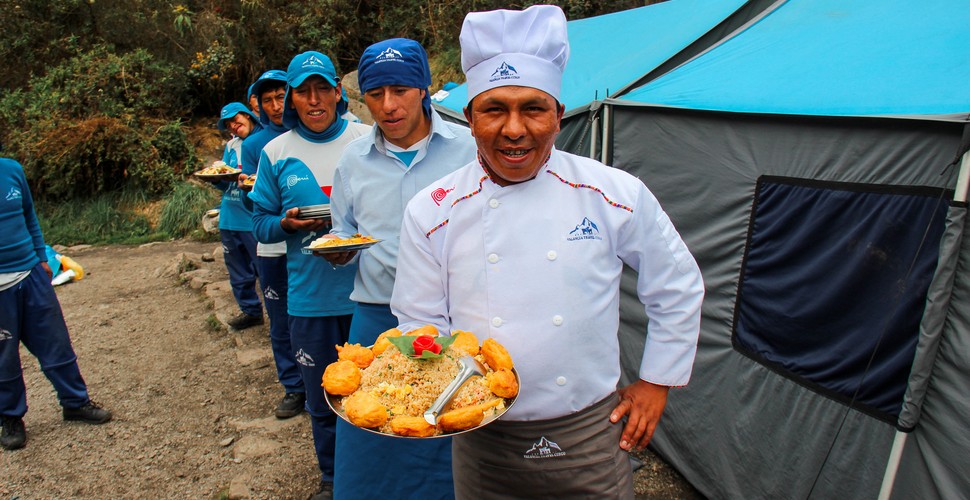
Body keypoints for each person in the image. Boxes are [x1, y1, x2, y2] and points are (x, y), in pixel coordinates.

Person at [389, 5, 705, 498]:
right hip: (479, 429)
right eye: (494, 109)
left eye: (533, 108)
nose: (514, 129)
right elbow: (420, 320)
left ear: (559, 116)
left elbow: (677, 285)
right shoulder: (431, 211)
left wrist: (656, 382)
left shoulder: (612, 193)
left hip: (590, 433)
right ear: (469, 118)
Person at [322, 38, 477, 499]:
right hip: (375, 316)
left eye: (400, 90)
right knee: (373, 428)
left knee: (448, 420)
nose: (388, 106)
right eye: (374, 94)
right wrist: (338, 250)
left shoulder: (469, 150)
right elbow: (344, 231)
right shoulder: (353, 161)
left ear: (425, 88)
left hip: (451, 319)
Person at [247, 51, 371, 500]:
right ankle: (333, 478)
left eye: (322, 88)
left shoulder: (366, 138)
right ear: (289, 101)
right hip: (310, 299)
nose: (314, 99)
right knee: (322, 400)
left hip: (369, 297)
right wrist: (286, 224)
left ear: (339, 92)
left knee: (375, 396)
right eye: (303, 91)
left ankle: (373, 476)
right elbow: (259, 220)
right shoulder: (275, 153)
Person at [0, 157, 112, 451]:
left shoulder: (11, 170)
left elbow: (28, 215)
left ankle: (75, 402)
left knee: (56, 342)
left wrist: (40, 256)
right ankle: (11, 417)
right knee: (4, 357)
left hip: (31, 273)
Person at [238, 70, 307, 419]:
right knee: (281, 321)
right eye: (267, 100)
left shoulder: (317, 132)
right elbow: (254, 197)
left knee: (314, 322)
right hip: (273, 249)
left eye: (281, 96)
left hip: (315, 249)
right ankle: (293, 386)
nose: (276, 105)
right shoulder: (256, 145)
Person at [204, 102, 264, 331]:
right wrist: (218, 180)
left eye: (236, 118)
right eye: (228, 123)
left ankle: (276, 314)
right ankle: (250, 311)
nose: (233, 125)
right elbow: (225, 182)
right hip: (229, 215)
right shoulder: (231, 146)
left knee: (264, 271)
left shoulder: (261, 142)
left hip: (251, 218)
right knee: (237, 271)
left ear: (248, 115)